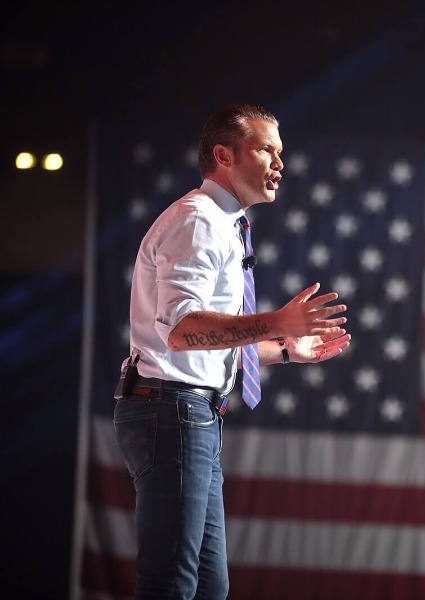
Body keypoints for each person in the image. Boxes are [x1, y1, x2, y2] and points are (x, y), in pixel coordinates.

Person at [113, 103, 351, 599]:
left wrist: (283, 349)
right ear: (223, 154)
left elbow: (198, 346)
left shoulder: (227, 223)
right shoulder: (198, 221)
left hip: (189, 411)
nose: (280, 164)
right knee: (173, 583)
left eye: (280, 152)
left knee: (207, 587)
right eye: (267, 149)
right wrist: (276, 320)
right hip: (170, 410)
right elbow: (180, 331)